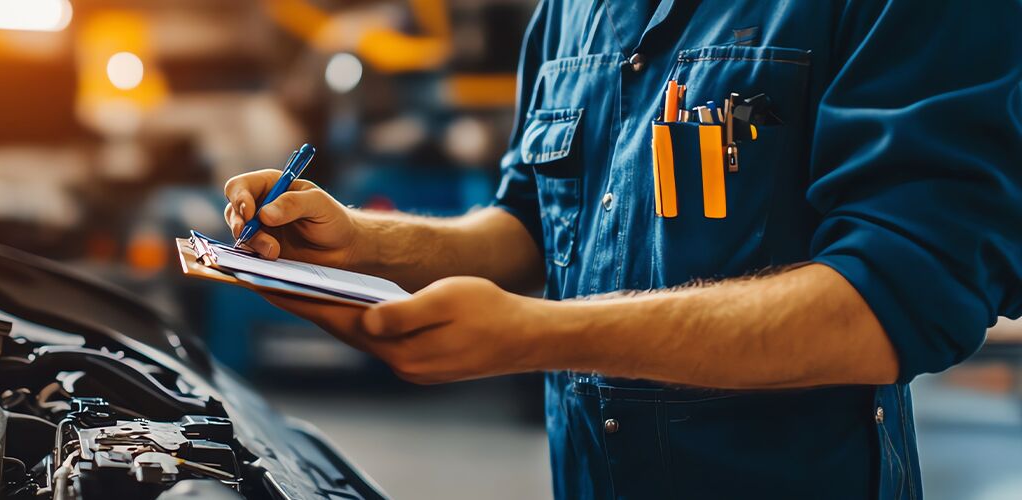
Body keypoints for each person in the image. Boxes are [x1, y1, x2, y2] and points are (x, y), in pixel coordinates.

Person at [221, 1, 1022, 498]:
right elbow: (531, 223)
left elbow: (892, 302)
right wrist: (366, 241)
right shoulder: (577, 10)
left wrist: (537, 335)